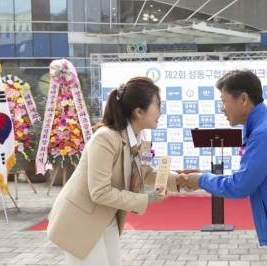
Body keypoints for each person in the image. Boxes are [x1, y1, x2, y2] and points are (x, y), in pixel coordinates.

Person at [177, 69, 267, 266]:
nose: (221, 108)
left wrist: (201, 180)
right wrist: (203, 176)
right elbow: (247, 177)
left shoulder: (264, 133)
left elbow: (241, 185)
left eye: (224, 100)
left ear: (243, 99)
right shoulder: (264, 128)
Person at [47, 77, 181, 266]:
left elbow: (146, 173)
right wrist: (148, 199)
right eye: (158, 105)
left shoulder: (139, 138)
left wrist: (181, 181)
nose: (161, 111)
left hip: (105, 217)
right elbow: (99, 192)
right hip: (80, 222)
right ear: (139, 112)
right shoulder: (105, 138)